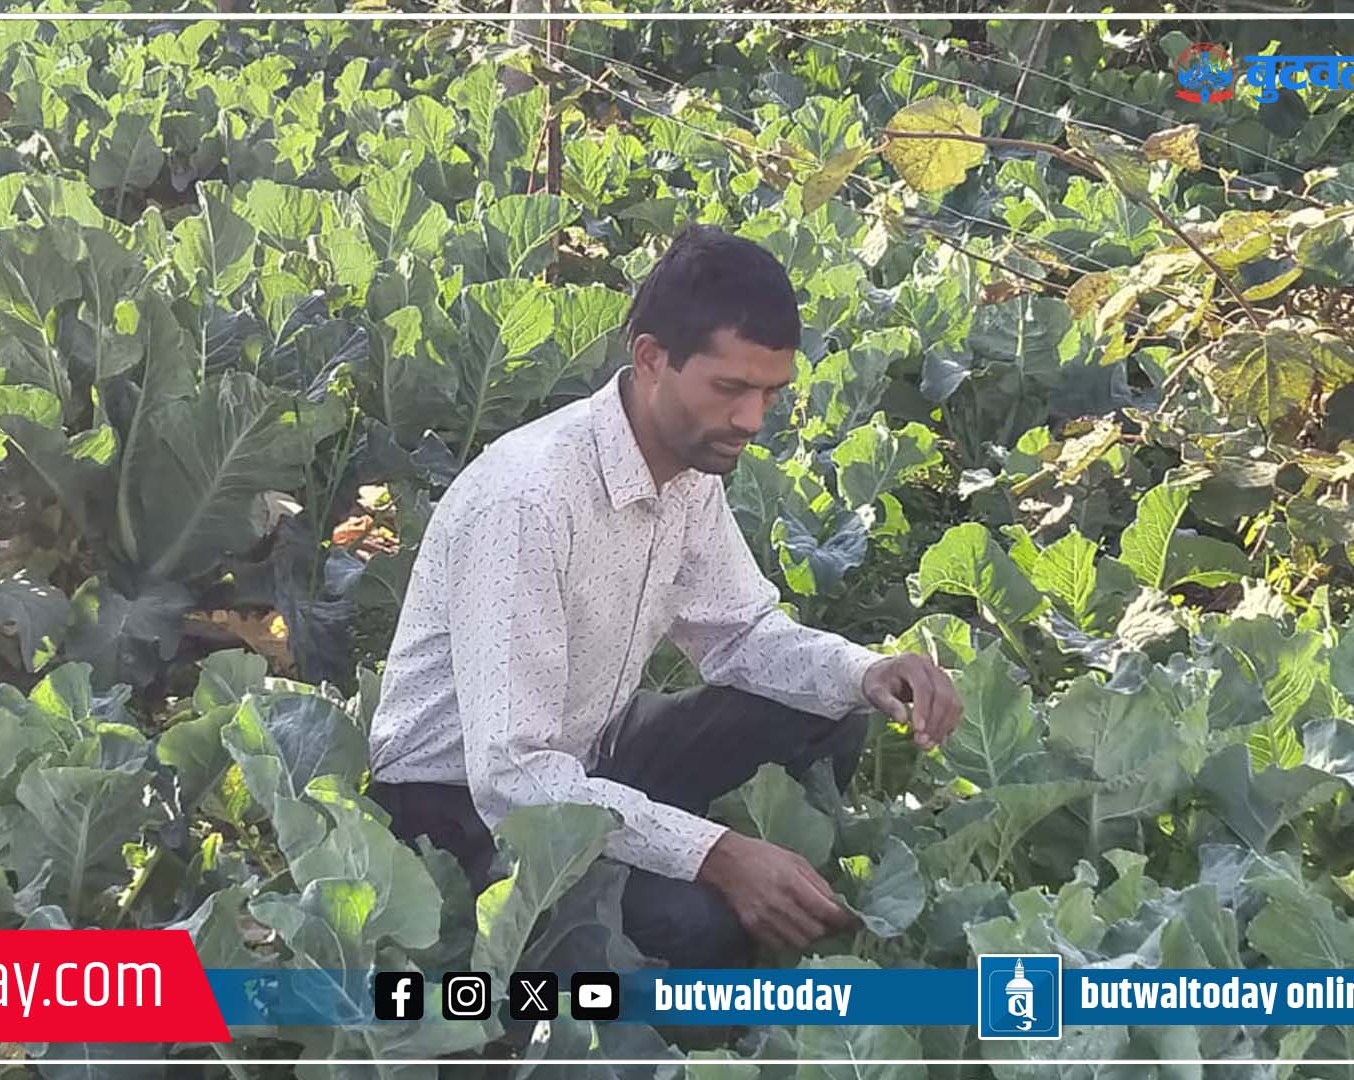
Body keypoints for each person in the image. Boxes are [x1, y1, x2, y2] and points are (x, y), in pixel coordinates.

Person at [364, 224, 964, 970]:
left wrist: (869, 671)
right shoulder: (527, 503)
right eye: (730, 389)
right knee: (701, 926)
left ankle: (752, 880)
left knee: (830, 710)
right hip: (458, 811)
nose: (752, 420)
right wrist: (715, 853)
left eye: (770, 392)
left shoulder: (686, 464)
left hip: (589, 752)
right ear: (650, 358)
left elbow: (740, 632)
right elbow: (512, 778)